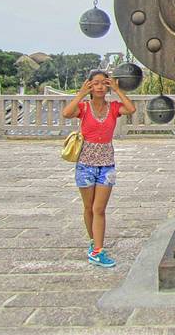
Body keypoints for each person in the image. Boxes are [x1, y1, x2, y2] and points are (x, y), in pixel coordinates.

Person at [62, 69, 135, 268]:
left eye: (104, 83)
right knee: (89, 208)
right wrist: (81, 94)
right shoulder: (84, 108)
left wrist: (118, 90)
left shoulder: (114, 108)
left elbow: (131, 109)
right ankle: (94, 242)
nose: (100, 87)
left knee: (99, 209)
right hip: (85, 164)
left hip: (106, 164)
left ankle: (98, 251)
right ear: (90, 86)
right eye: (96, 83)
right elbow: (66, 113)